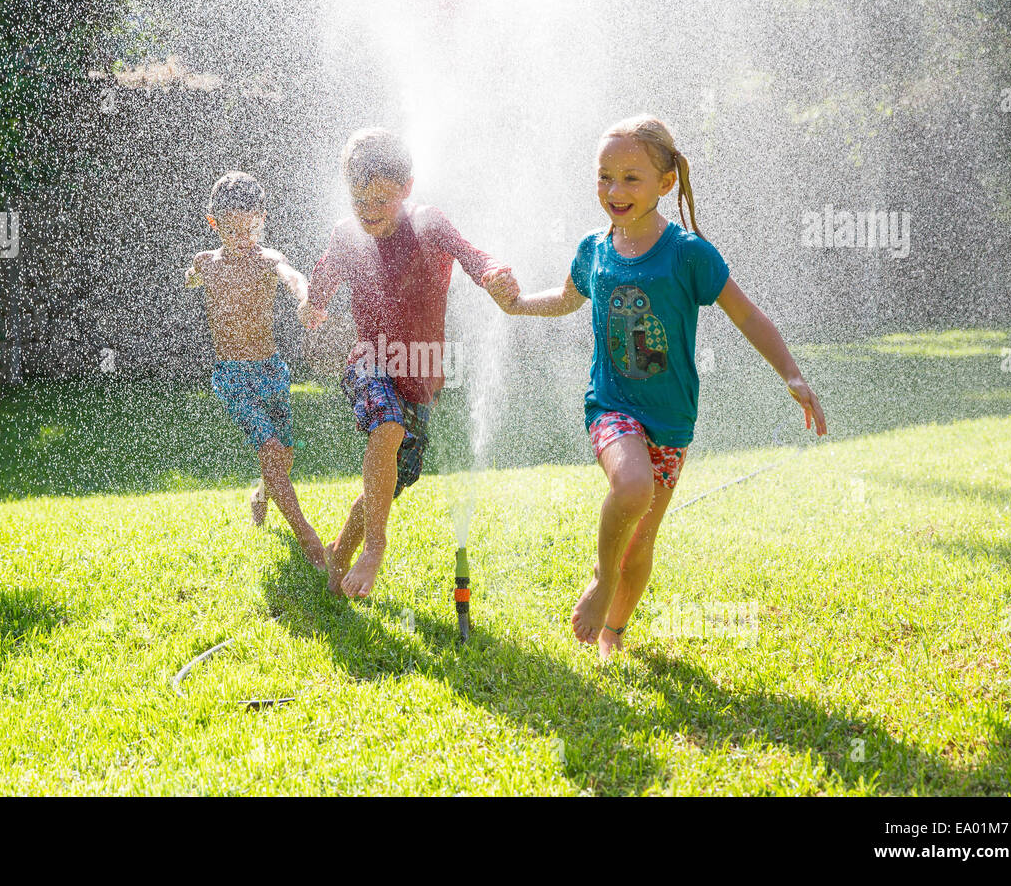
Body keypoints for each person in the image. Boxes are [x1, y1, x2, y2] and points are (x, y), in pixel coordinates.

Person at [500, 114, 827, 658]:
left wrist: (791, 373)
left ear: (665, 182)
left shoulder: (688, 253)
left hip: (671, 419)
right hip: (611, 407)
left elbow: (747, 316)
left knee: (641, 542)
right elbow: (564, 300)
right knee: (631, 488)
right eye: (605, 177)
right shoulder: (593, 249)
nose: (615, 190)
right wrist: (515, 304)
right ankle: (603, 584)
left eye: (631, 177)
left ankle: (614, 634)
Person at [300, 128, 519, 598]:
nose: (370, 209)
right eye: (360, 197)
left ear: (407, 187)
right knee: (388, 428)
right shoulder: (346, 235)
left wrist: (494, 272)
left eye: (382, 198)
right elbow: (320, 286)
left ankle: (338, 561)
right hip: (369, 361)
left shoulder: (428, 224)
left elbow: (472, 256)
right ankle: (375, 547)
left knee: (389, 482)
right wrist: (311, 305)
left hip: (420, 375)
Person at [186, 170, 328, 571]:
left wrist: (304, 301)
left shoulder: (268, 260)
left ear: (262, 219)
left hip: (271, 371)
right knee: (269, 449)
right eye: (232, 230)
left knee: (283, 456)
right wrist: (192, 278)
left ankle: (262, 494)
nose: (243, 238)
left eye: (250, 228)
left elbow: (293, 277)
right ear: (214, 224)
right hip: (232, 375)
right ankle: (309, 539)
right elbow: (193, 276)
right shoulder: (207, 264)